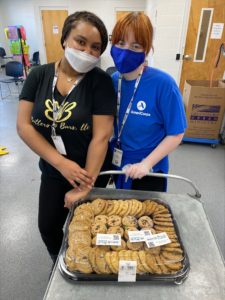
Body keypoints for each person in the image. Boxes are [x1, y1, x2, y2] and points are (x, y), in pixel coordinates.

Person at [17, 11, 116, 263]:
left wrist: (84, 184)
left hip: (89, 171)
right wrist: (61, 164)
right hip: (54, 169)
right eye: (80, 42)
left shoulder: (101, 82)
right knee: (48, 227)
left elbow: (101, 137)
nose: (87, 51)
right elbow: (24, 126)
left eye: (95, 48)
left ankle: (83, 264)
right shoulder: (39, 75)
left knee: (87, 229)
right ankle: (60, 263)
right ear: (64, 40)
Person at [109, 12, 187, 191]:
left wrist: (146, 164)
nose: (126, 51)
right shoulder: (113, 81)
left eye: (135, 46)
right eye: (121, 43)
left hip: (150, 169)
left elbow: (176, 133)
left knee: (146, 216)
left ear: (147, 49)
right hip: (118, 161)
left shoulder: (163, 84)